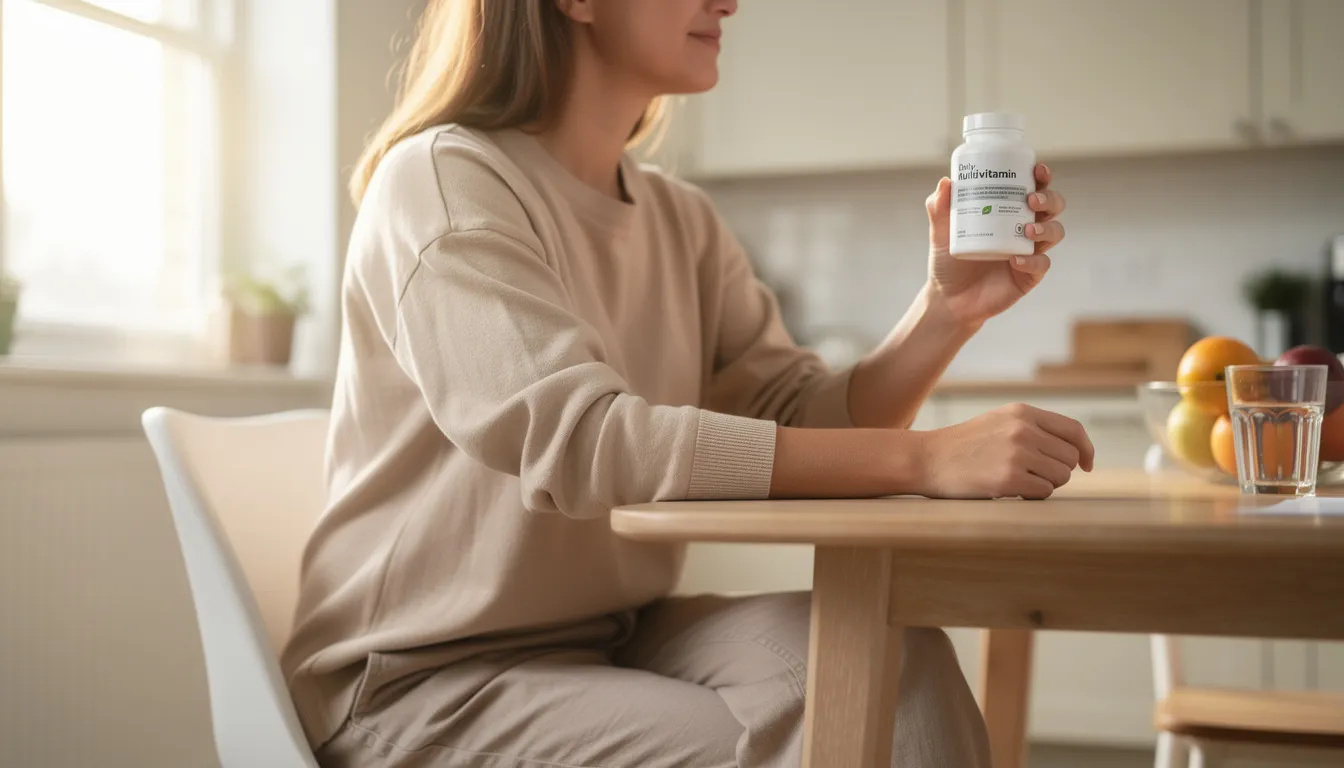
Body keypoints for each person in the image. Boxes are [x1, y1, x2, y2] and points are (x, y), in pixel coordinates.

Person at [281, 0, 1094, 766]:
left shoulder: (680, 218)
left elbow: (795, 412)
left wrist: (945, 313)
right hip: (423, 682)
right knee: (820, 737)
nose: (732, 2)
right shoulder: (441, 179)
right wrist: (922, 462)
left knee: (894, 658)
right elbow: (584, 440)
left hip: (610, 632)